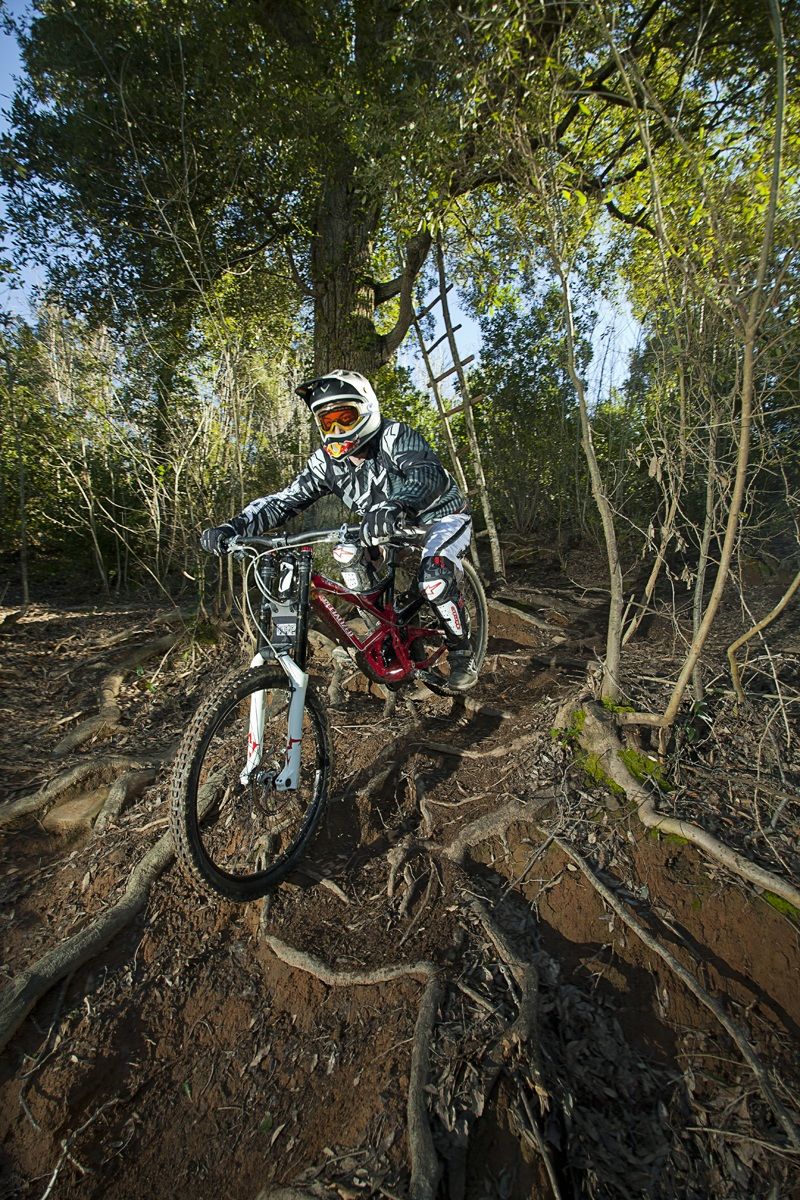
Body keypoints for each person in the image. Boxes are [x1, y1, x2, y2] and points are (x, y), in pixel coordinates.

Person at [200, 369, 479, 690]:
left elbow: (427, 475)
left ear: (367, 409)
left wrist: (395, 505)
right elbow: (284, 501)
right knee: (347, 557)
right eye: (326, 421)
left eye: (345, 417)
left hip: (440, 516)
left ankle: (462, 652)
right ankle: (387, 634)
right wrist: (234, 526)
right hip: (386, 527)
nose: (336, 429)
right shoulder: (326, 463)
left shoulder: (394, 437)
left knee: (434, 580)